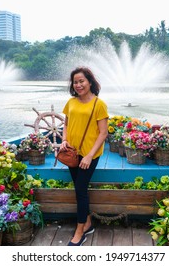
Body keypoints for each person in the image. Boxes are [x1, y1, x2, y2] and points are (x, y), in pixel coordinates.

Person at [60, 67, 109, 246]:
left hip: (90, 155)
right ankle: (87, 223)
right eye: (75, 82)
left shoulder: (99, 104)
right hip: (72, 153)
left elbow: (103, 133)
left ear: (89, 81)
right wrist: (64, 140)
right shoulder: (71, 102)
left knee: (80, 190)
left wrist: (89, 156)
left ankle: (80, 232)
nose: (78, 85)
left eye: (82, 81)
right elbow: (65, 124)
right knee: (79, 190)